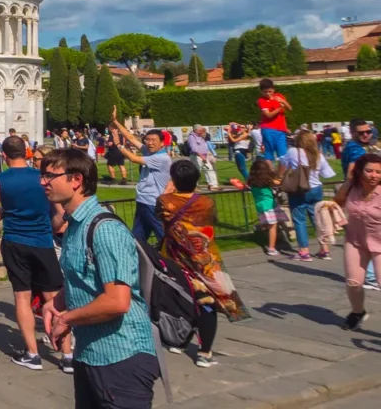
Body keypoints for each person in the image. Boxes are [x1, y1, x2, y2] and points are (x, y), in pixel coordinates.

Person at [41, 149, 160, 409]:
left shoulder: (105, 229)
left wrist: (67, 318)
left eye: (50, 175)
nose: (43, 181)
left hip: (121, 355)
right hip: (90, 351)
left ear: (76, 180)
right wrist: (58, 302)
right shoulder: (73, 224)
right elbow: (82, 276)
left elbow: (117, 302)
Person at [0, 135, 72, 372]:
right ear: (27, 152)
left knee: (22, 297)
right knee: (53, 298)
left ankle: (32, 353)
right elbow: (59, 212)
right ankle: (66, 354)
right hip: (42, 241)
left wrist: (7, 211)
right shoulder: (42, 178)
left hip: (15, 241)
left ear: (3, 156)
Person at [156, 159, 248, 367]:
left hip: (176, 258)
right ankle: (204, 352)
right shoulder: (207, 203)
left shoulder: (165, 201)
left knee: (182, 300)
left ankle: (178, 341)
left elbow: (162, 221)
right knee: (208, 303)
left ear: (174, 179)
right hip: (205, 260)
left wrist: (168, 190)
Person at [110, 109, 171, 245]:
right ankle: (140, 260)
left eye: (153, 140)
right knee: (137, 239)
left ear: (162, 143)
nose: (149, 143)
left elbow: (133, 158)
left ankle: (175, 261)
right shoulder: (149, 152)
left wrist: (118, 144)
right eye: (147, 140)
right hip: (143, 200)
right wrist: (115, 122)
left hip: (153, 203)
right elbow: (131, 138)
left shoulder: (162, 158)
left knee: (164, 237)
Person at [334, 153, 381, 329]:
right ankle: (357, 311)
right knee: (353, 283)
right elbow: (337, 202)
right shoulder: (352, 189)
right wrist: (348, 181)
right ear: (360, 171)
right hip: (355, 241)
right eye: (369, 171)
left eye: (378, 172)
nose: (374, 175)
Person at [279, 129, 337, 261]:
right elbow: (327, 174)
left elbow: (283, 165)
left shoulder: (293, 152)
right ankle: (324, 249)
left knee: (299, 220)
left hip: (299, 188)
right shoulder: (318, 155)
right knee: (318, 219)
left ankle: (304, 251)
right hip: (316, 188)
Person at [248, 158, 284, 256]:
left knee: (268, 223)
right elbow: (279, 182)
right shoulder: (268, 180)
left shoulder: (252, 181)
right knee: (273, 226)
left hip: (260, 205)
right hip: (269, 205)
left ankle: (262, 229)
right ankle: (271, 248)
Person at [257, 78, 292, 160]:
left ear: (273, 89)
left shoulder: (279, 96)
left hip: (281, 129)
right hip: (268, 129)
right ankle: (270, 171)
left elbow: (290, 108)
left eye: (270, 91)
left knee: (283, 155)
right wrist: (280, 107)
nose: (268, 94)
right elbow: (268, 115)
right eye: (265, 92)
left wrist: (283, 101)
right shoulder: (262, 101)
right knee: (269, 153)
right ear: (261, 91)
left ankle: (282, 172)